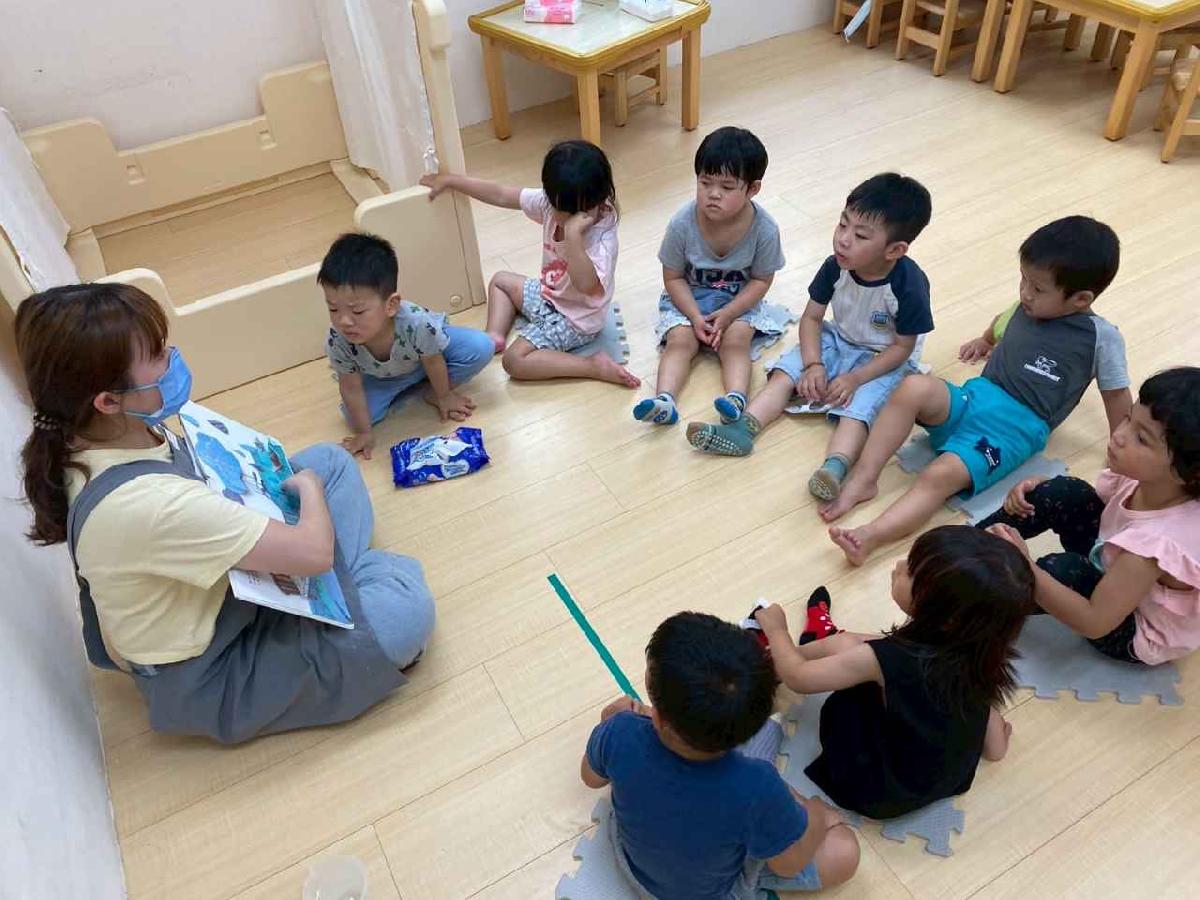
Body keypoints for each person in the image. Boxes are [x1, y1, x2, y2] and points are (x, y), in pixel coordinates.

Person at [17, 283, 435, 744]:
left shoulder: (94, 436)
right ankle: (356, 590)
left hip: (214, 586)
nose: (172, 357)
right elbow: (314, 553)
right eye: (157, 353)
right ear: (108, 401)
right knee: (402, 610)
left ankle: (343, 587)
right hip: (215, 668)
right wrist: (310, 495)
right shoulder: (146, 504)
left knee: (330, 462)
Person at [824, 215, 1132, 565]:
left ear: (1080, 299)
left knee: (939, 475)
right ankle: (864, 478)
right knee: (913, 386)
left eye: (1037, 288)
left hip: (1012, 430)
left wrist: (1124, 447)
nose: (1024, 293)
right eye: (1023, 280)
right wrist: (985, 341)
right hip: (975, 397)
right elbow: (1003, 322)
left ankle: (869, 536)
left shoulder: (1102, 338)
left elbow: (1116, 394)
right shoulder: (1027, 306)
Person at [687, 173, 933, 507]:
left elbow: (903, 348)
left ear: (895, 250)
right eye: (842, 224)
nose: (843, 240)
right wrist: (814, 364)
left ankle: (835, 467)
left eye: (860, 235)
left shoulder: (909, 285)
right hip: (839, 338)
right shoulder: (836, 267)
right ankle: (743, 429)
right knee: (785, 373)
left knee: (858, 411)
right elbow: (812, 319)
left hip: (884, 358)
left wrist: (855, 378)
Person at [754, 526, 1031, 819]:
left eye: (911, 572)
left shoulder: (888, 659)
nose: (898, 565)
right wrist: (996, 740)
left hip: (873, 787)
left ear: (947, 618)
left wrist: (777, 630)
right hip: (939, 781)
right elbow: (995, 749)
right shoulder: (981, 654)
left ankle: (774, 662)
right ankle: (794, 654)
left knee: (845, 646)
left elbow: (800, 679)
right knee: (869, 651)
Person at [582, 612, 859, 899]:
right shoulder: (758, 786)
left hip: (631, 861)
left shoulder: (620, 731)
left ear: (658, 717)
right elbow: (788, 865)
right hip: (712, 892)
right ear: (746, 732)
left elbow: (590, 777)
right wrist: (816, 816)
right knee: (844, 850)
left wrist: (609, 721)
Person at [984, 367, 1200, 666]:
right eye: (1128, 418)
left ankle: (976, 594)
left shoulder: (1155, 546)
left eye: (1141, 438)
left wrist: (1025, 569)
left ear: (1184, 473)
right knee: (1062, 491)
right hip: (1114, 563)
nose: (1120, 436)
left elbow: (1095, 622)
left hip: (1127, 625)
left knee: (1060, 571)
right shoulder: (1148, 479)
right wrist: (1040, 489)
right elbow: (1093, 504)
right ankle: (966, 546)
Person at [420, 140, 639, 387]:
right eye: (554, 204)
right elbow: (502, 194)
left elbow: (586, 286)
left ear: (592, 206)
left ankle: (592, 366)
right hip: (549, 294)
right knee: (500, 280)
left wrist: (573, 237)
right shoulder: (554, 202)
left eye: (565, 210)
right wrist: (452, 181)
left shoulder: (602, 241)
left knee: (514, 361)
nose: (554, 212)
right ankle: (494, 336)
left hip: (575, 319)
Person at [633, 127, 787, 429]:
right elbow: (673, 277)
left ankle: (736, 399)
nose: (713, 194)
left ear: (753, 189)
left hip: (737, 302)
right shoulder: (682, 223)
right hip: (687, 299)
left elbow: (761, 280)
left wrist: (728, 314)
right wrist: (693, 316)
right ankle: (664, 401)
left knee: (736, 342)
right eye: (705, 183)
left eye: (727, 187)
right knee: (679, 342)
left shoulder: (765, 230)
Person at [320, 232, 494, 459]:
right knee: (354, 418)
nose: (344, 321)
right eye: (333, 309)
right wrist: (364, 433)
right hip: (382, 376)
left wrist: (444, 396)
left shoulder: (416, 322)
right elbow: (350, 387)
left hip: (428, 358)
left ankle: (430, 390)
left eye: (358, 311)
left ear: (391, 305)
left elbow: (433, 360)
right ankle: (412, 386)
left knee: (481, 347)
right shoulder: (338, 339)